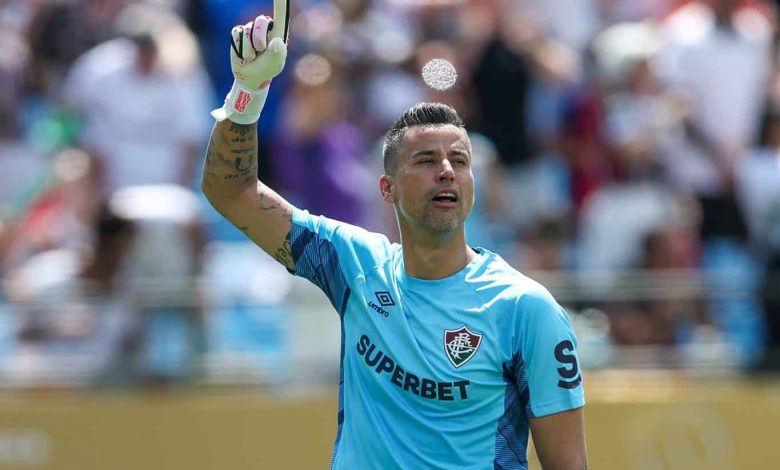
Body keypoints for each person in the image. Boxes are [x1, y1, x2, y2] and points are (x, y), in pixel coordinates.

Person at [202, 12, 586, 470]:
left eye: (459, 161)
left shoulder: (527, 308)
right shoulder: (353, 264)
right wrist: (248, 93)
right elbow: (232, 192)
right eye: (426, 159)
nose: (446, 170)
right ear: (387, 189)